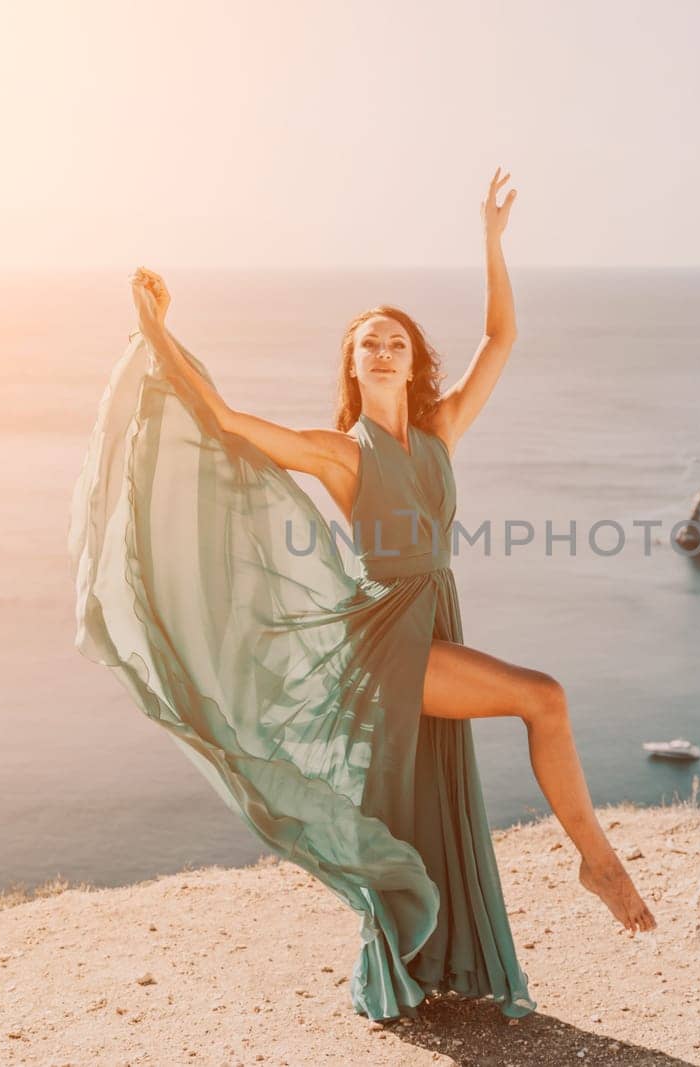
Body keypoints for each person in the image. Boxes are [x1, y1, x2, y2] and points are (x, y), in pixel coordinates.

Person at [69, 169, 654, 1024]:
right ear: (351, 362)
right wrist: (160, 333)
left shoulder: (441, 430)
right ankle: (596, 860)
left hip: (434, 613)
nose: (382, 351)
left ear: (414, 363)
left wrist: (491, 242)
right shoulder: (339, 453)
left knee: (422, 801)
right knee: (545, 697)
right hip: (389, 640)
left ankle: (420, 961)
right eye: (368, 342)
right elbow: (228, 424)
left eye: (397, 343)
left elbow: (502, 338)